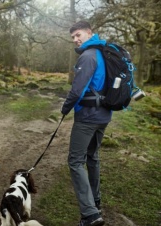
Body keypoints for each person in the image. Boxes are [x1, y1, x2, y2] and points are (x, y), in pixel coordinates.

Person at [61, 20, 109, 226]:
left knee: (75, 161)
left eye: (78, 35)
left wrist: (64, 109)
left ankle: (90, 214)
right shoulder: (102, 53)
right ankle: (95, 202)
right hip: (104, 116)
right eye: (72, 37)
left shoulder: (88, 56)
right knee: (92, 156)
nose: (75, 39)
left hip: (88, 117)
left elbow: (77, 90)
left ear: (89, 33)